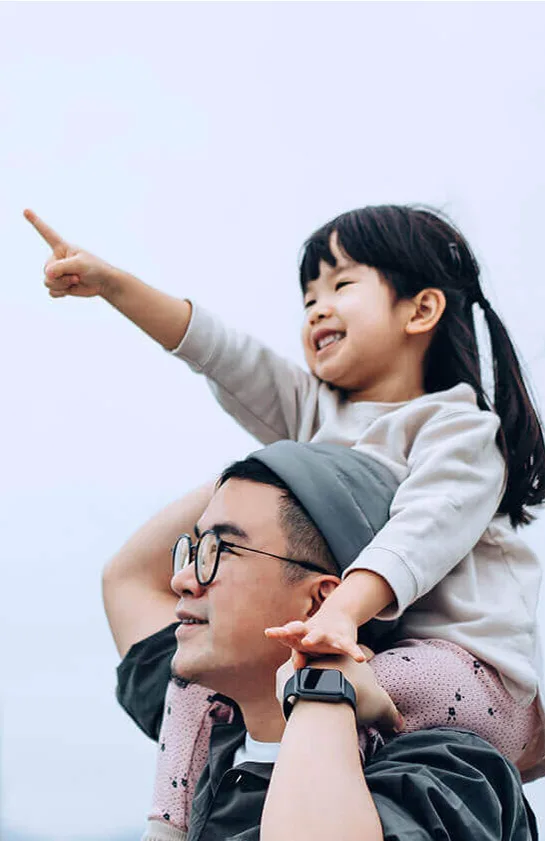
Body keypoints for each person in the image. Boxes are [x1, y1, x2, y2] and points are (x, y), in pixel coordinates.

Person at [24, 204, 545, 781]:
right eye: (308, 298)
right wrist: (113, 286)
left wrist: (343, 613)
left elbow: (422, 532)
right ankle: (170, 824)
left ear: (420, 309)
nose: (318, 307)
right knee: (198, 679)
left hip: (463, 673)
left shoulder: (459, 427)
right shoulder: (316, 415)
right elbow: (222, 353)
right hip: (361, 649)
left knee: (321, 679)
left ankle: (356, 708)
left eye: (343, 284)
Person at [105, 442, 538, 841]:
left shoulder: (448, 773)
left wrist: (322, 682)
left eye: (219, 551)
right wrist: (306, 443)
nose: (182, 580)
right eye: (193, 550)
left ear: (320, 600)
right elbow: (126, 579)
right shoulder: (206, 721)